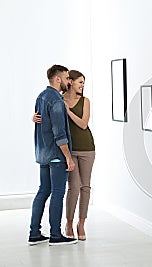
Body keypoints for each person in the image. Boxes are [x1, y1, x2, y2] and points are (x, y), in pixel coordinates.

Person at [33, 70, 95, 241]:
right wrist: (34, 117)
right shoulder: (58, 100)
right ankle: (62, 228)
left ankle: (79, 223)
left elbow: (83, 124)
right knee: (68, 189)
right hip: (64, 150)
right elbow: (56, 128)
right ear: (67, 82)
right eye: (77, 81)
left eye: (83, 82)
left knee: (83, 187)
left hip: (81, 148)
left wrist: (68, 112)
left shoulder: (82, 101)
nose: (81, 85)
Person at [28, 65, 77, 246]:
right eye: (66, 78)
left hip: (43, 153)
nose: (68, 82)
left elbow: (40, 122)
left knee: (43, 191)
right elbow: (59, 133)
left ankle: (34, 233)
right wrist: (68, 158)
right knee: (57, 193)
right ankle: (56, 235)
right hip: (56, 154)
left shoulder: (41, 96)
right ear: (57, 79)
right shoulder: (55, 100)